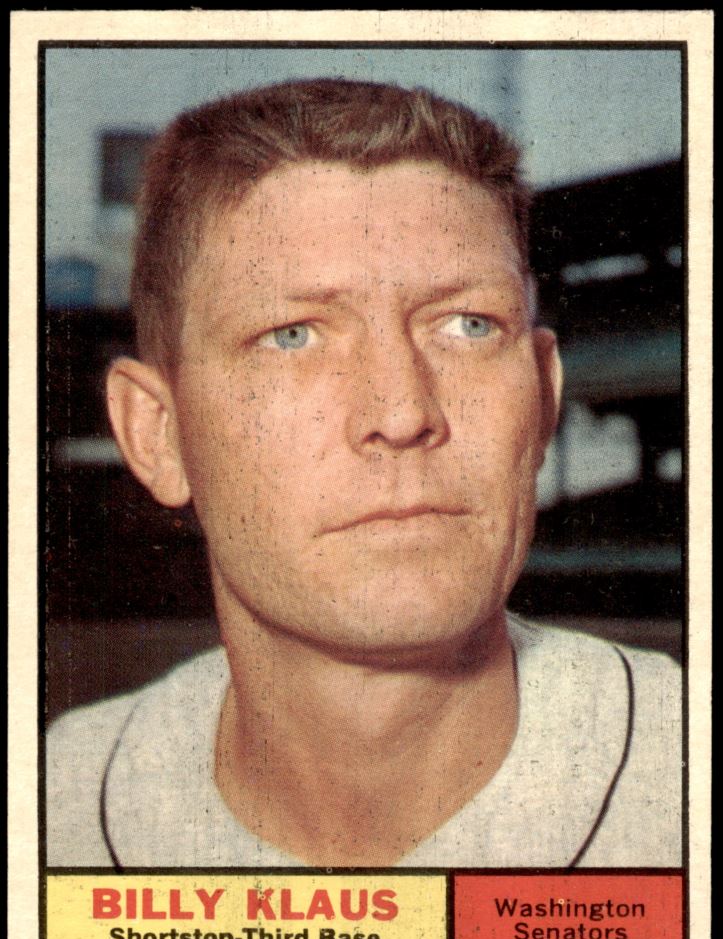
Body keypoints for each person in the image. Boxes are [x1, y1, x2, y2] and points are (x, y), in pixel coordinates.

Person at [46, 79, 681, 870]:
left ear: (544, 398)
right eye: (292, 335)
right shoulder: (53, 805)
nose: (402, 411)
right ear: (157, 433)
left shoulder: (681, 770)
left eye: (468, 325)